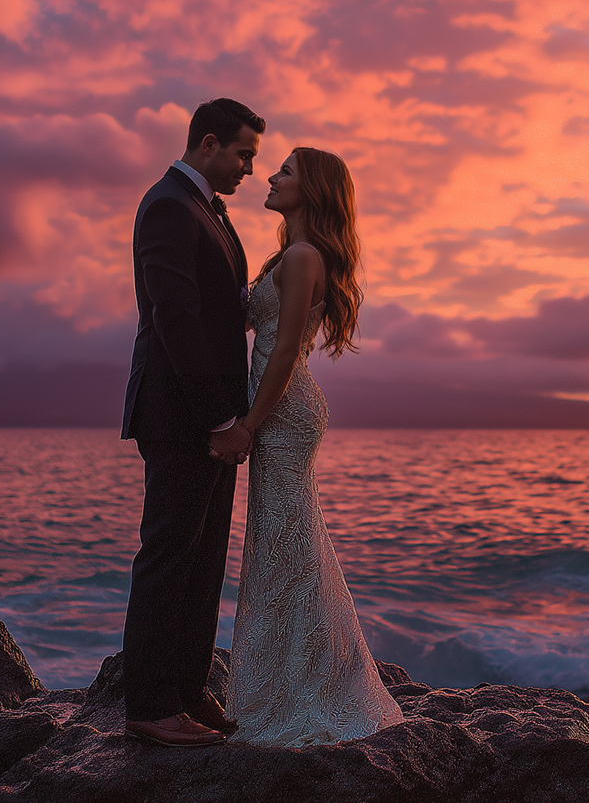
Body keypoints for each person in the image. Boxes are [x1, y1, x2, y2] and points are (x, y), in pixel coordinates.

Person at [225, 147, 405, 746]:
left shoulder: (303, 257)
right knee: (285, 540)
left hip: (282, 410)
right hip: (282, 407)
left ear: (314, 189)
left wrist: (249, 423)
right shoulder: (292, 254)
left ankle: (301, 688)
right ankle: (296, 675)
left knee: (284, 541)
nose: (271, 178)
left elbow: (280, 352)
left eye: (286, 172)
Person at [119, 98, 263, 749]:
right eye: (243, 155)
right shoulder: (169, 206)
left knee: (204, 561)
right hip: (182, 415)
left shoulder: (208, 210)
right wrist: (219, 419)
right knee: (170, 557)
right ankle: (150, 704)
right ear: (208, 144)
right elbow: (176, 319)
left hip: (213, 416)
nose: (249, 169)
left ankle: (187, 687)